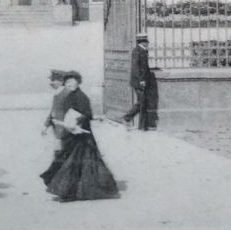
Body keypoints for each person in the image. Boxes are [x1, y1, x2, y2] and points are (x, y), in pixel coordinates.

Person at [40, 72, 119, 201]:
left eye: (72, 81)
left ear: (78, 82)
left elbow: (88, 114)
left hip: (82, 135)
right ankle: (72, 190)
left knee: (77, 162)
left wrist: (76, 122)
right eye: (68, 82)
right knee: (75, 162)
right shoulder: (69, 96)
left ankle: (70, 191)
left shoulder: (82, 97)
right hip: (73, 133)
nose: (70, 84)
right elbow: (59, 112)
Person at [117, 33, 158, 131]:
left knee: (142, 102)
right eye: (145, 41)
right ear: (142, 42)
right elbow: (136, 68)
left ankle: (142, 126)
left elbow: (144, 67)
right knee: (141, 102)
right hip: (139, 82)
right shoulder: (137, 51)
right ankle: (127, 118)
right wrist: (141, 80)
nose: (147, 43)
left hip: (142, 81)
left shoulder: (142, 51)